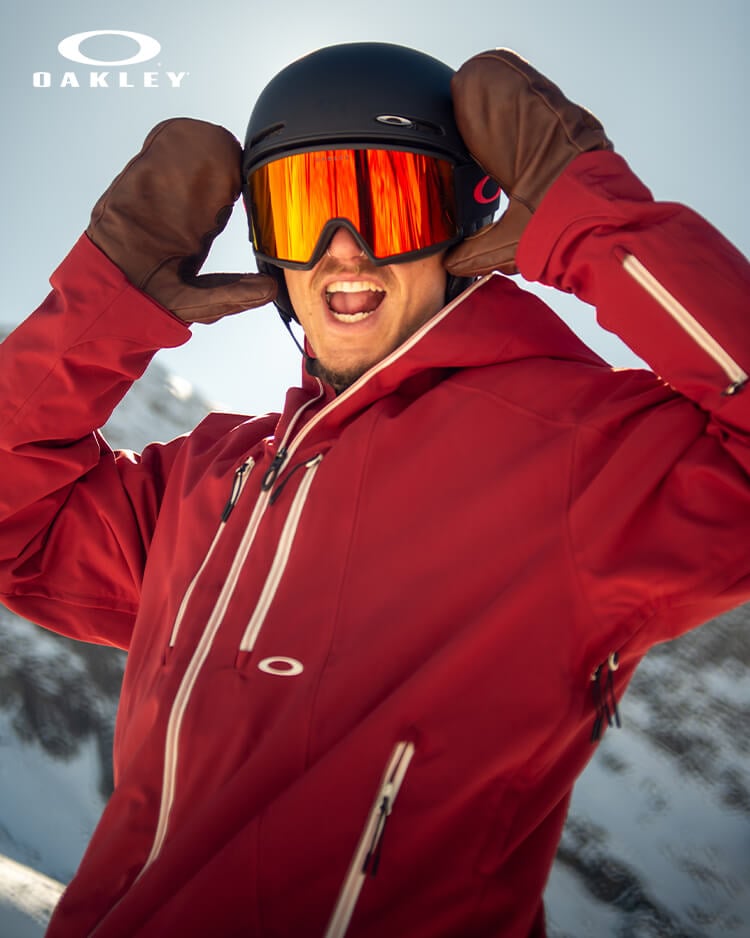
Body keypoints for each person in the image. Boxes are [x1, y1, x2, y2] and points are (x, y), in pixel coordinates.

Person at [0, 40, 747, 938]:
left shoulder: (577, 458)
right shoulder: (205, 481)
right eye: (304, 209)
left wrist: (589, 213)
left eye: (385, 204)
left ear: (465, 227)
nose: (340, 253)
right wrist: (110, 293)